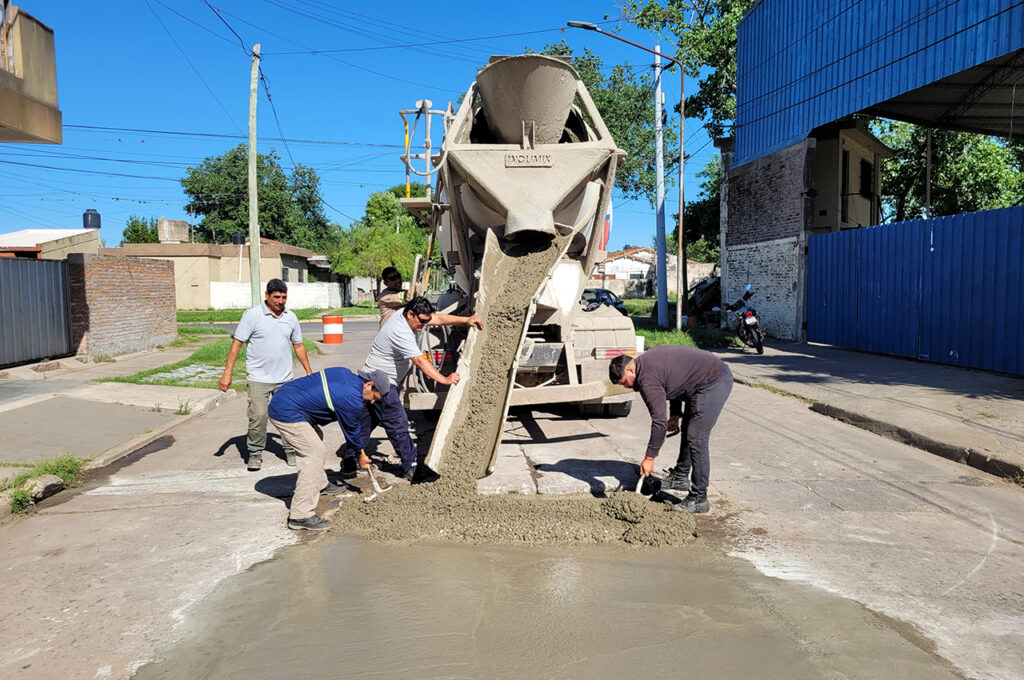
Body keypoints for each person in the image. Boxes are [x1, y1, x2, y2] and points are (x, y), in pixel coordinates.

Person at [345, 295, 482, 481]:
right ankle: (411, 467)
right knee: (397, 422)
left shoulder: (408, 315)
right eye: (422, 322)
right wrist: (444, 379)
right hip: (380, 382)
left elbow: (437, 318)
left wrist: (466, 320)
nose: (424, 325)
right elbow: (419, 361)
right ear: (411, 314)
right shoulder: (399, 330)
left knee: (367, 421)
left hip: (373, 376)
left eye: (426, 321)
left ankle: (349, 461)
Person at [609, 345, 733, 514]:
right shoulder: (647, 364)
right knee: (690, 430)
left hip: (714, 380)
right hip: (700, 382)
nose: (627, 387)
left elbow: (659, 422)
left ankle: (699, 498)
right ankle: (680, 477)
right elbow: (676, 384)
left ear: (630, 369)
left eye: (625, 382)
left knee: (697, 437)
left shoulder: (646, 379)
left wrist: (649, 458)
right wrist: (675, 414)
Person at [268, 368, 386, 531]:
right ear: (368, 384)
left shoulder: (346, 374)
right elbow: (352, 432)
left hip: (288, 399)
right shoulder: (352, 399)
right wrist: (361, 454)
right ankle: (300, 515)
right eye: (374, 397)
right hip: (286, 411)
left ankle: (320, 484)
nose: (372, 402)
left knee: (315, 436)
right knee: (314, 453)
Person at [219, 279, 313, 471]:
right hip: (258, 378)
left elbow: (298, 345)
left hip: (285, 378)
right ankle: (255, 453)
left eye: (284, 297)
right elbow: (237, 344)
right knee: (258, 416)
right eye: (276, 297)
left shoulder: (291, 317)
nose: (280, 301)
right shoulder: (252, 315)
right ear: (267, 296)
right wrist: (227, 373)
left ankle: (291, 451)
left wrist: (309, 372)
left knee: (289, 416)